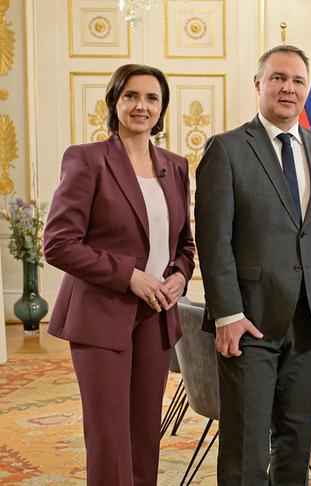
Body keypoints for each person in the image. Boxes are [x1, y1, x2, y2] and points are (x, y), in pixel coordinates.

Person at [194, 44, 311, 485]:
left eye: (298, 80)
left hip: (310, 320)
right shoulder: (226, 150)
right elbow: (214, 242)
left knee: (297, 440)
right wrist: (227, 313)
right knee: (246, 448)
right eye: (279, 78)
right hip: (250, 321)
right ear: (258, 84)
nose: (289, 88)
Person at [43, 64, 195, 486]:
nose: (141, 106)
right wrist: (131, 276)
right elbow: (58, 242)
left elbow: (185, 245)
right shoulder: (87, 159)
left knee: (145, 433)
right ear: (115, 102)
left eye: (152, 98)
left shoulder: (176, 166)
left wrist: (179, 276)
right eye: (131, 96)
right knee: (109, 436)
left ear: (162, 109)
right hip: (100, 314)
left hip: (157, 316)